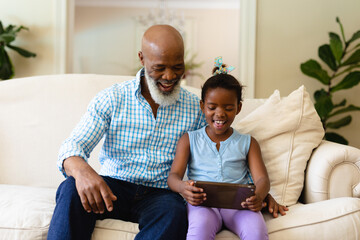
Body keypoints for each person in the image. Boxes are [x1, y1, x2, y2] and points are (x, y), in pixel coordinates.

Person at [48, 25, 287, 240]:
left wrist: (257, 194)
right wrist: (81, 171)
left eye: (177, 67)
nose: (170, 76)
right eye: (159, 68)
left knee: (175, 213)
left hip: (161, 195)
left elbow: (218, 157)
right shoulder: (112, 98)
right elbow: (73, 146)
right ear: (142, 59)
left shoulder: (197, 108)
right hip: (114, 188)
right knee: (70, 189)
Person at [167, 57, 270, 240]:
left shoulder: (248, 142)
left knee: (257, 233)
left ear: (238, 108)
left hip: (240, 205)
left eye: (228, 107)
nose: (220, 113)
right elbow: (173, 177)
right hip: (203, 204)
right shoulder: (189, 140)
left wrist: (259, 196)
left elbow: (262, 178)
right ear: (202, 107)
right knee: (199, 231)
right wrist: (183, 187)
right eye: (212, 107)